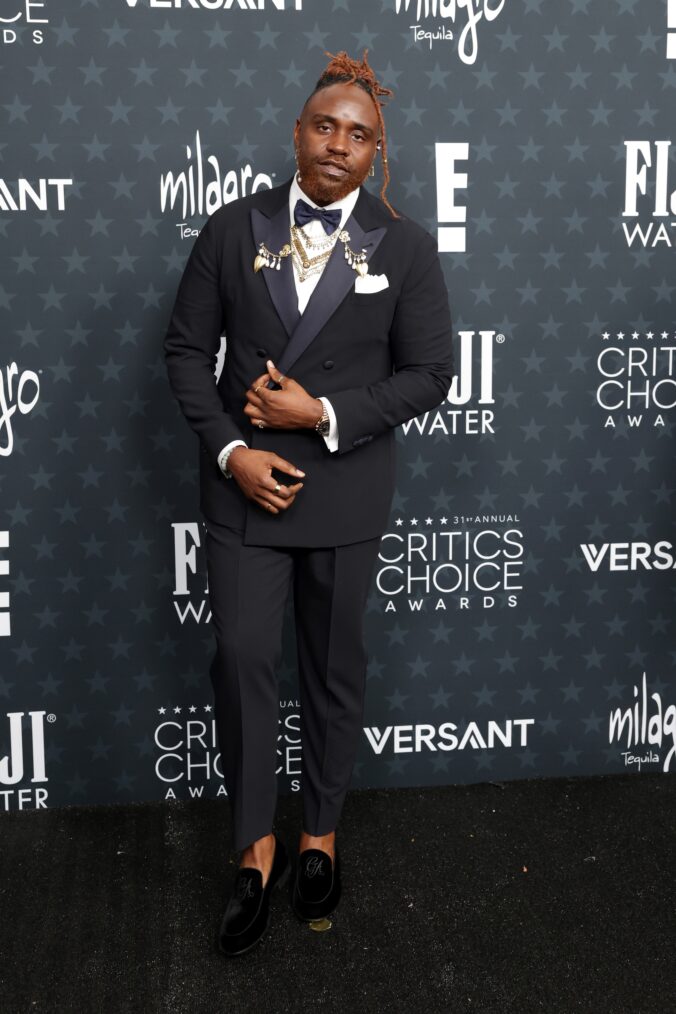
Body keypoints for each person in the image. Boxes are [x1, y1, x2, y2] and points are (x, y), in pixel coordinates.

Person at [164, 49, 454, 957]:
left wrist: (321, 412)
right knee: (244, 664)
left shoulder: (403, 246)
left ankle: (320, 836)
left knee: (333, 674)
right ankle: (254, 851)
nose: (339, 144)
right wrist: (235, 449)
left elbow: (431, 374)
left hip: (345, 491)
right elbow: (184, 353)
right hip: (243, 493)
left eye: (359, 135)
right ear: (297, 133)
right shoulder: (228, 228)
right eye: (325, 125)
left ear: (378, 154)